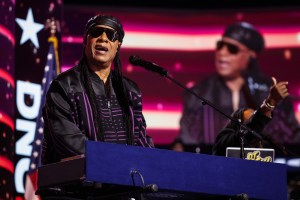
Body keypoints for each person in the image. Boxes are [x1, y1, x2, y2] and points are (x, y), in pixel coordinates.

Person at [39, 14, 154, 199]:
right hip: (73, 191)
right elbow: (68, 142)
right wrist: (117, 162)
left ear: (118, 46)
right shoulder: (64, 86)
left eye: (111, 35)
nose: (103, 38)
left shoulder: (130, 90)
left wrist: (154, 164)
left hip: (121, 188)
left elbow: (139, 138)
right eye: (96, 32)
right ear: (86, 41)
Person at [179, 21, 300, 146]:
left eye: (232, 49)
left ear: (251, 55)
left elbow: (292, 141)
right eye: (220, 45)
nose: (222, 52)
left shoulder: (271, 92)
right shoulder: (197, 94)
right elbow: (189, 144)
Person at [212, 77, 289, 156]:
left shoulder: (259, 147)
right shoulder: (224, 141)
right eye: (249, 121)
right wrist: (271, 102)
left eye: (254, 118)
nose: (256, 126)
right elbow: (251, 129)